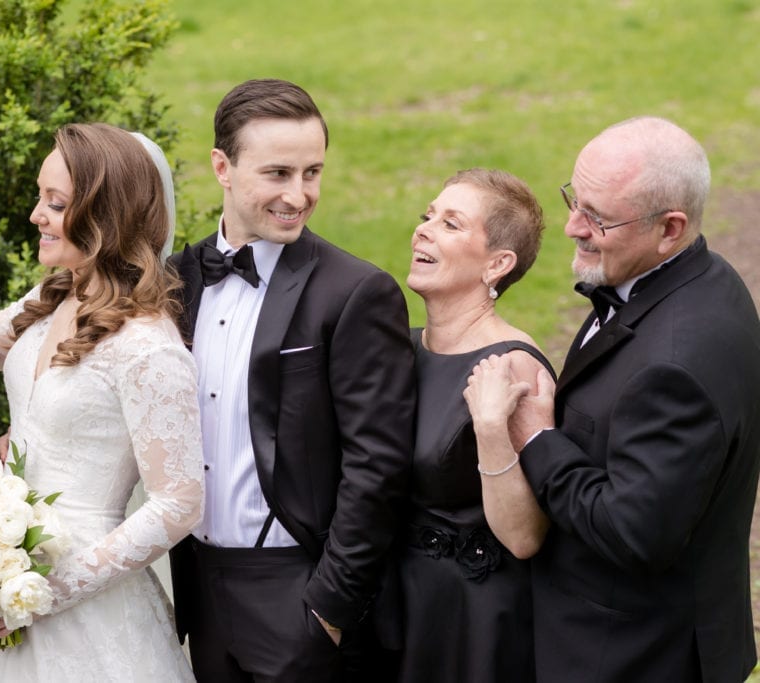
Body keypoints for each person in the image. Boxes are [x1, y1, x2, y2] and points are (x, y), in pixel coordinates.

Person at [469, 116, 760, 682]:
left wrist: (537, 437)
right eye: (574, 200)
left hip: (630, 653)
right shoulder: (696, 276)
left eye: (597, 218)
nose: (573, 226)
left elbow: (633, 531)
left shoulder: (677, 364)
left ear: (669, 228)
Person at [168, 78, 416, 681]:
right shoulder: (177, 280)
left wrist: (327, 608)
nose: (299, 195)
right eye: (278, 173)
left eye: (313, 173)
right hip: (198, 588)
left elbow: (377, 464)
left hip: (297, 594)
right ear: (222, 167)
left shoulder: (355, 292)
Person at [0, 122, 202, 681]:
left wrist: (40, 592)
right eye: (41, 197)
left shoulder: (147, 347)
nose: (36, 214)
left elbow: (179, 503)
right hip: (1, 566)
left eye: (55, 203)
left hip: (86, 598)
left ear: (105, 218)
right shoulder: (54, 294)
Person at [396, 168, 553, 682]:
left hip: (471, 621)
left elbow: (525, 535)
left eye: (451, 224)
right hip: (393, 602)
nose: (424, 229)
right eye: (428, 217)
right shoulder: (400, 347)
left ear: (497, 264)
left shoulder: (514, 367)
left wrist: (489, 429)